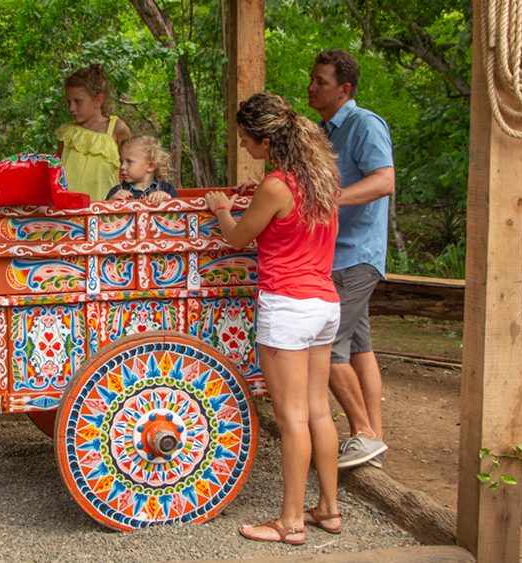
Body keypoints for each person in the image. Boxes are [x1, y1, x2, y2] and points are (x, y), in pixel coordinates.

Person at [205, 92, 342, 545]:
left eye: (247, 140)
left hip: (287, 306)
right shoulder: (320, 178)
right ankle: (328, 509)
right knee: (318, 411)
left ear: (266, 140)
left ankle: (290, 522)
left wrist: (221, 207)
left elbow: (237, 238)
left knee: (291, 418)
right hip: (324, 303)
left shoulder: (276, 185)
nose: (244, 147)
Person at [307, 50, 396, 469]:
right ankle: (373, 440)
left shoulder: (364, 124)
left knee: (322, 348)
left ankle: (363, 432)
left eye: (320, 82)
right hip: (335, 255)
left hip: (354, 255)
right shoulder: (323, 132)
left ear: (344, 89)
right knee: (360, 347)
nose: (311, 87)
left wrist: (331, 199)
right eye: (312, 79)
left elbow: (384, 180)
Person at [56, 64, 132, 201]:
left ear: (98, 100)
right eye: (69, 102)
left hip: (106, 209)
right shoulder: (66, 133)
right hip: (69, 210)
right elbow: (56, 175)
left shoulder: (117, 129)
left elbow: (132, 171)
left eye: (78, 102)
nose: (71, 108)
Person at [106, 135, 178, 204]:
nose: (122, 167)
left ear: (150, 166)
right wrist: (112, 200)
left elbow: (179, 208)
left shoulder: (165, 188)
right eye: (121, 162)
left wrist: (167, 198)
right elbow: (104, 210)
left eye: (129, 162)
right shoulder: (118, 190)